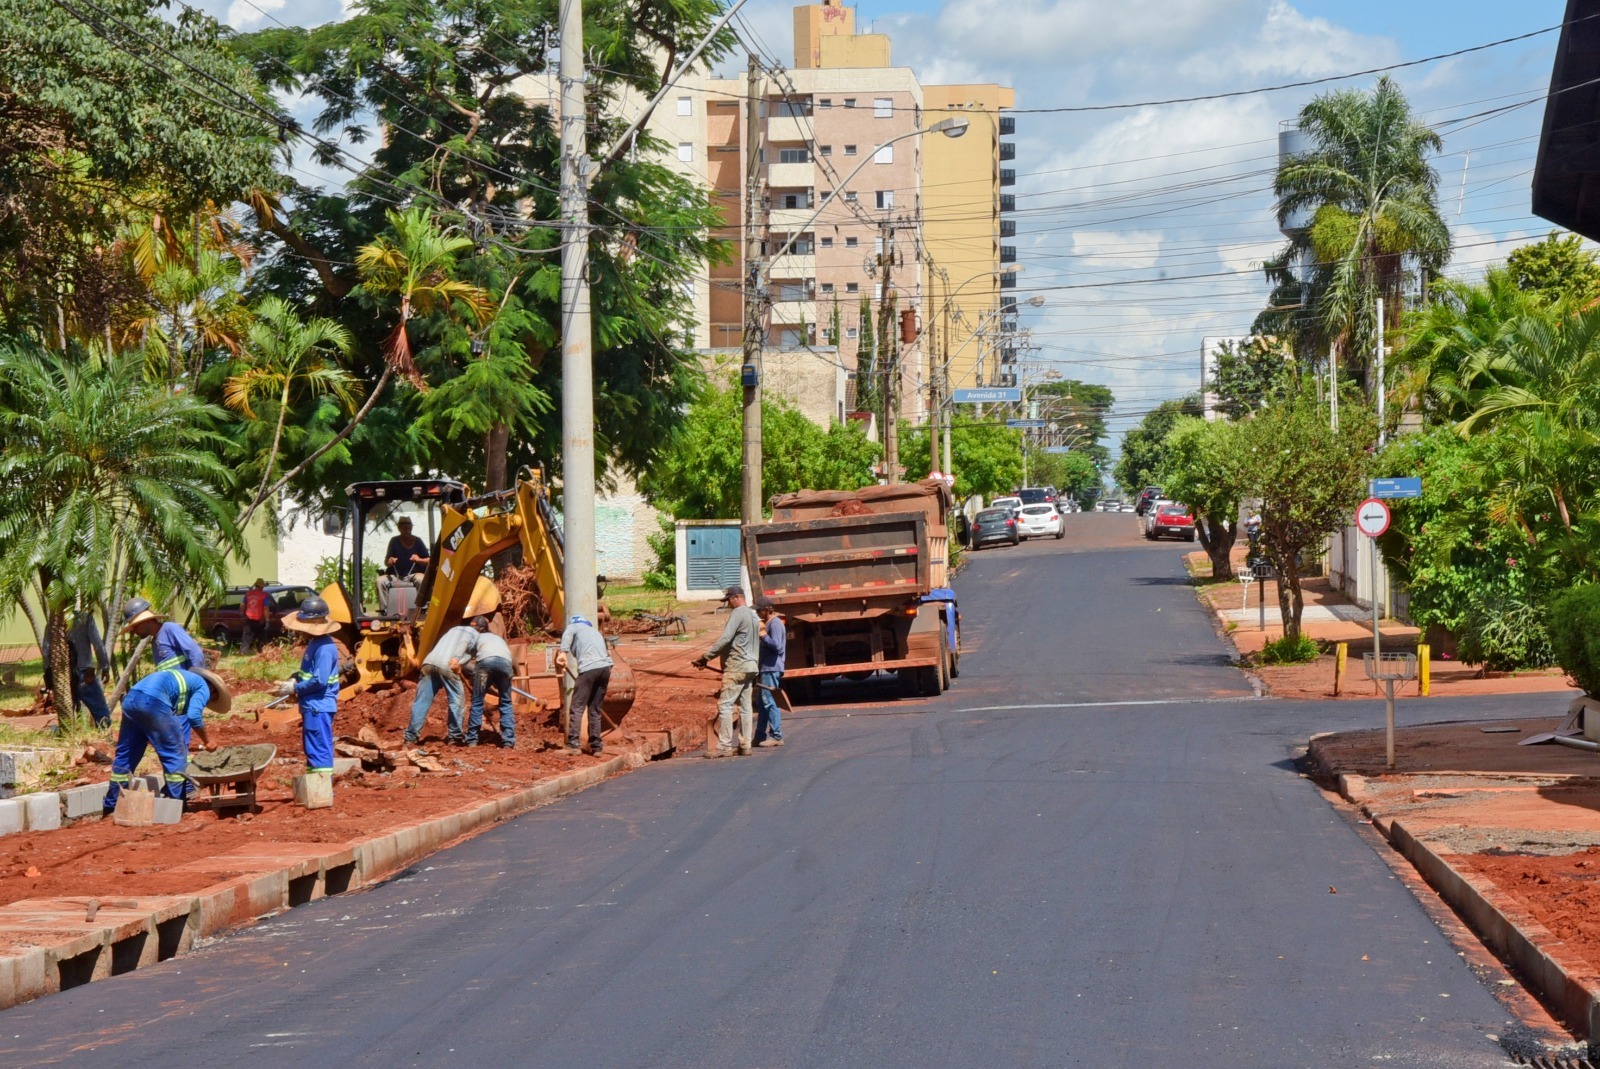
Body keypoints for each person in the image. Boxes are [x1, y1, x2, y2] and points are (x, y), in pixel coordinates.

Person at [101, 664, 229, 815]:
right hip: (154, 702)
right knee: (175, 756)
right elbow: (194, 716)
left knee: (127, 755)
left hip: (132, 700)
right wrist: (207, 740)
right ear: (213, 690)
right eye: (211, 699)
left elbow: (178, 721)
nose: (208, 701)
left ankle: (111, 806)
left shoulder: (183, 679)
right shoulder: (204, 687)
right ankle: (177, 806)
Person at [275, 596, 342, 780]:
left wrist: (294, 689)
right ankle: (317, 787)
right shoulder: (316, 643)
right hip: (313, 706)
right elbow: (311, 674)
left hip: (318, 706)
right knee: (314, 747)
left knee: (318, 748)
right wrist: (296, 677)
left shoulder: (324, 648)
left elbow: (319, 681)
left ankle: (321, 788)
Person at [693, 586, 760, 758]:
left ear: (737, 597)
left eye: (729, 600)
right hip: (751, 666)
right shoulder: (753, 615)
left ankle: (723, 746)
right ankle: (745, 745)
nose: (728, 604)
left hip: (736, 666)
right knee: (745, 707)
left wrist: (706, 657)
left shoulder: (738, 613)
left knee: (725, 705)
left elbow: (725, 638)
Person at [404, 622, 478, 745]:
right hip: (448, 666)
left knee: (421, 701)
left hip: (429, 662)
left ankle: (410, 738)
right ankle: (455, 737)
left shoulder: (454, 628)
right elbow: (469, 655)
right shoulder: (476, 636)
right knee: (456, 701)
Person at [41, 611, 113, 727]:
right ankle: (105, 735)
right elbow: (98, 644)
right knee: (101, 712)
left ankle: (71, 735)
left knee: (68, 714)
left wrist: (49, 675)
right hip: (85, 674)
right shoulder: (85, 618)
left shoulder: (53, 622)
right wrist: (105, 667)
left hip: (62, 677)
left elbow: (46, 651)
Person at [556, 613, 613, 756]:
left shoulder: (573, 626)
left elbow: (567, 634)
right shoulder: (595, 633)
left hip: (589, 669)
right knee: (595, 709)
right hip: (605, 669)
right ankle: (596, 747)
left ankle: (573, 744)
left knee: (577, 707)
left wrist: (563, 653)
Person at [465, 616, 516, 749]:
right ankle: (508, 741)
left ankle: (472, 740)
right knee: (506, 702)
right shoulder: (497, 638)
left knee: (477, 701)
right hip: (505, 664)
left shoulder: (476, 637)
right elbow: (509, 656)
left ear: (478, 628)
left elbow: (468, 655)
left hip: (485, 664)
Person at [121, 597, 206, 672]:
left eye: (135, 627)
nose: (134, 631)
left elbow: (195, 653)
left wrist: (197, 681)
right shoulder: (155, 641)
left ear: (146, 621)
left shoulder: (170, 629)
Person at [379, 517, 431, 617]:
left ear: (411, 528)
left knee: (421, 579)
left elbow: (429, 561)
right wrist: (390, 561)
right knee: (380, 581)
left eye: (409, 528)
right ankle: (385, 612)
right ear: (399, 528)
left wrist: (418, 559)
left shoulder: (418, 541)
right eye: (404, 528)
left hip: (413, 574)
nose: (407, 531)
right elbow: (386, 561)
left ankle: (422, 609)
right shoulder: (394, 541)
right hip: (396, 576)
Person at [752, 597, 786, 748]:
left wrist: (764, 635)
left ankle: (776, 736)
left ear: (767, 609)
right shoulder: (769, 623)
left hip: (771, 668)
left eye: (759, 610)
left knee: (769, 701)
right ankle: (759, 736)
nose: (758, 613)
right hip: (765, 668)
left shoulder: (775, 624)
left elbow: (778, 647)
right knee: (762, 703)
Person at [240, 579, 278, 655]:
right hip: (260, 619)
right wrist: (267, 621)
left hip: (249, 617)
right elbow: (266, 608)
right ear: (261, 586)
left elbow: (243, 605)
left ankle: (243, 652)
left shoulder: (248, 594)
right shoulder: (264, 595)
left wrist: (243, 614)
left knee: (246, 636)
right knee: (261, 637)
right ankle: (261, 653)